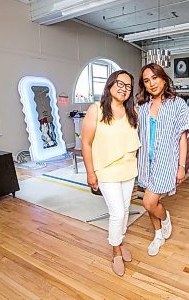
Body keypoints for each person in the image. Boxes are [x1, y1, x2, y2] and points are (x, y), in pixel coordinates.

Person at [81, 70, 140, 276]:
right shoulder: (95, 110)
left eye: (128, 86)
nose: (124, 89)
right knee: (118, 213)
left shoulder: (133, 112)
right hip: (106, 169)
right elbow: (86, 143)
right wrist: (90, 173)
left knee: (124, 209)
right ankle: (115, 251)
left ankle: (119, 241)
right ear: (110, 84)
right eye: (120, 84)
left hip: (128, 169)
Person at [137, 63, 189, 256]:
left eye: (154, 78)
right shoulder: (143, 107)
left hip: (166, 162)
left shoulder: (178, 104)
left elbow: (182, 137)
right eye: (146, 81)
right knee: (149, 202)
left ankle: (165, 217)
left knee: (149, 203)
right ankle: (158, 235)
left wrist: (181, 166)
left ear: (163, 78)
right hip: (146, 162)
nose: (151, 83)